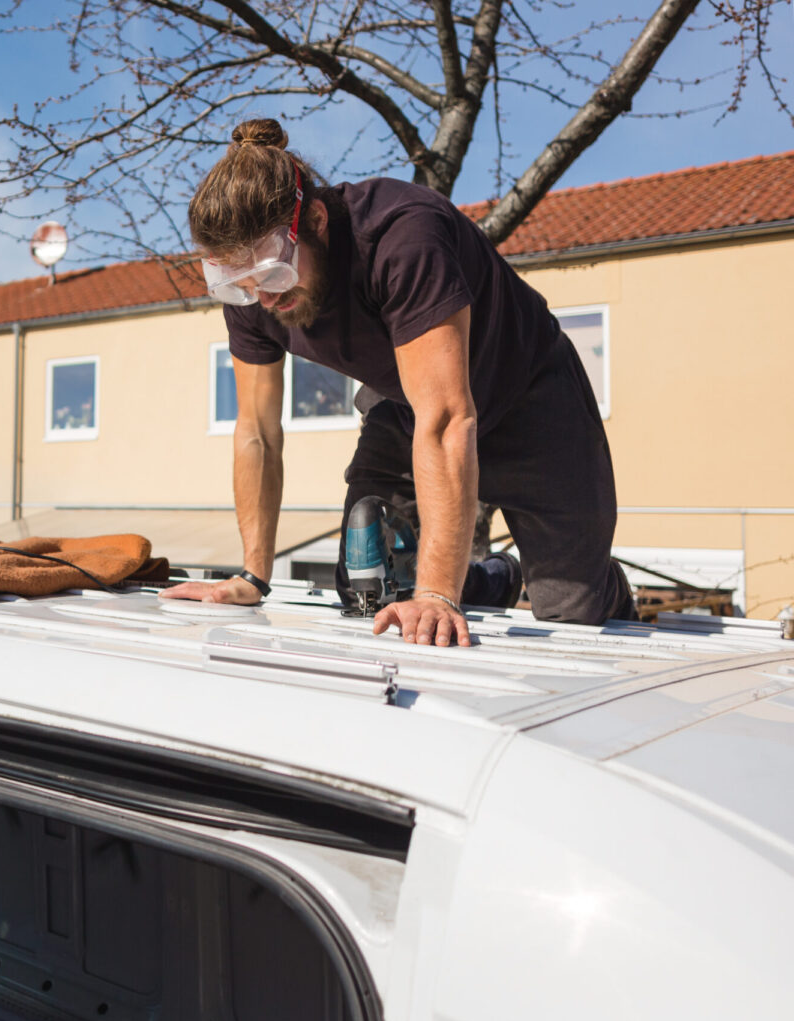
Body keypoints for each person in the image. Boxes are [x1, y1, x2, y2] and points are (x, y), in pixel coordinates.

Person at [160, 118, 635, 645]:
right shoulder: (255, 296)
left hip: (531, 400)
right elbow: (257, 433)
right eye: (242, 285)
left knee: (574, 615)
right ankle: (487, 578)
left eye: (274, 275)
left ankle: (597, 586)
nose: (265, 298)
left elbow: (450, 417)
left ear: (315, 220)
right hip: (406, 403)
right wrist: (254, 575)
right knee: (367, 584)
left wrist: (436, 594)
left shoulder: (401, 235)